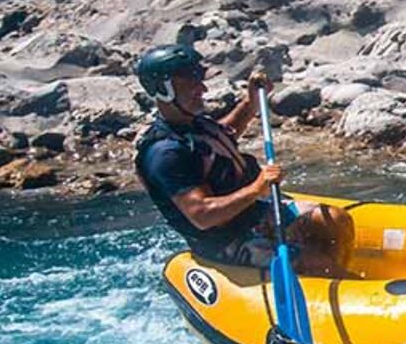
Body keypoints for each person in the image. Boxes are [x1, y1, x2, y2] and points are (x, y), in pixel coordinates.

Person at [132, 43, 354, 275]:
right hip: (225, 241)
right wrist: (257, 188)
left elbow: (221, 138)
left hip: (250, 214)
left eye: (199, 79)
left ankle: (330, 277)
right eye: (190, 82)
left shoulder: (192, 124)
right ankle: (324, 273)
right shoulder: (164, 154)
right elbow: (203, 215)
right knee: (316, 263)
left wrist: (250, 103)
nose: (203, 89)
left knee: (335, 220)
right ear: (163, 89)